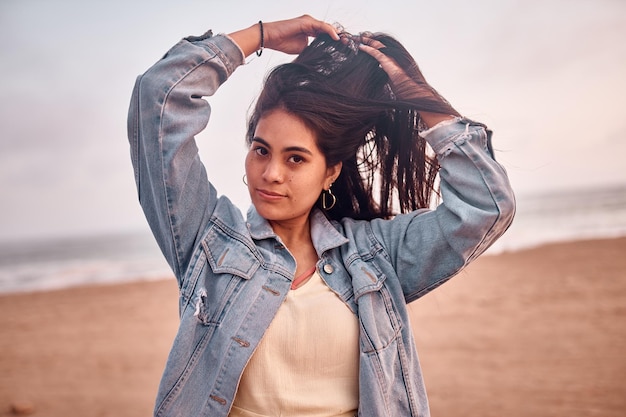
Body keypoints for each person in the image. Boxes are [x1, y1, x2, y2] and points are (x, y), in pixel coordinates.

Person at [127, 15, 515, 417]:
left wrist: (418, 97)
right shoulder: (209, 242)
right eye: (261, 150)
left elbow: (487, 207)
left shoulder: (377, 257)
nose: (271, 173)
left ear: (330, 171)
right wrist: (261, 36)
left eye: (295, 158)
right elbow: (158, 98)